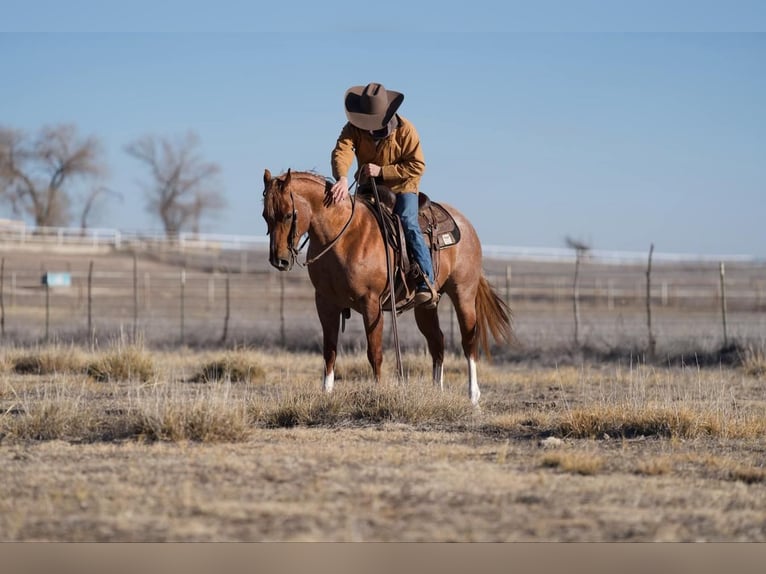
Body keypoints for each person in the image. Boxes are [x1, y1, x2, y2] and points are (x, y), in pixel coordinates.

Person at [330, 82, 436, 307]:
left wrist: (382, 171)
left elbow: (417, 166)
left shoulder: (406, 131)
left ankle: (427, 281)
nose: (366, 127)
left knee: (407, 221)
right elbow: (343, 150)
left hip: (402, 186)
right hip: (370, 187)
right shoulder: (353, 127)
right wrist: (342, 177)